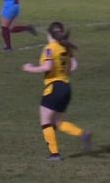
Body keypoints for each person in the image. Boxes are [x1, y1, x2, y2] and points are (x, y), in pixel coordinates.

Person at [22, 22, 92, 161]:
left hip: (53, 87)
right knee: (58, 122)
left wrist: (29, 68)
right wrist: (63, 72)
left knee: (46, 122)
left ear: (49, 34)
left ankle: (55, 154)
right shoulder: (65, 48)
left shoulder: (49, 48)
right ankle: (82, 134)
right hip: (66, 87)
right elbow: (74, 66)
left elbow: (46, 66)